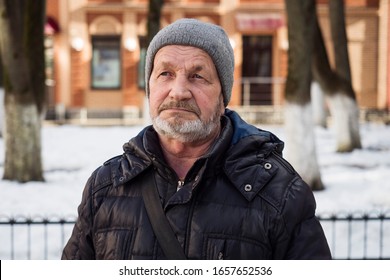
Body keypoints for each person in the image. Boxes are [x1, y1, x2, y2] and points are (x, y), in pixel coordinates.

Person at [62, 18, 331, 260]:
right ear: (150, 86)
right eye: (165, 74)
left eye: (197, 76)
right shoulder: (106, 187)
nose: (178, 92)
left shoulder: (279, 193)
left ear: (222, 97)